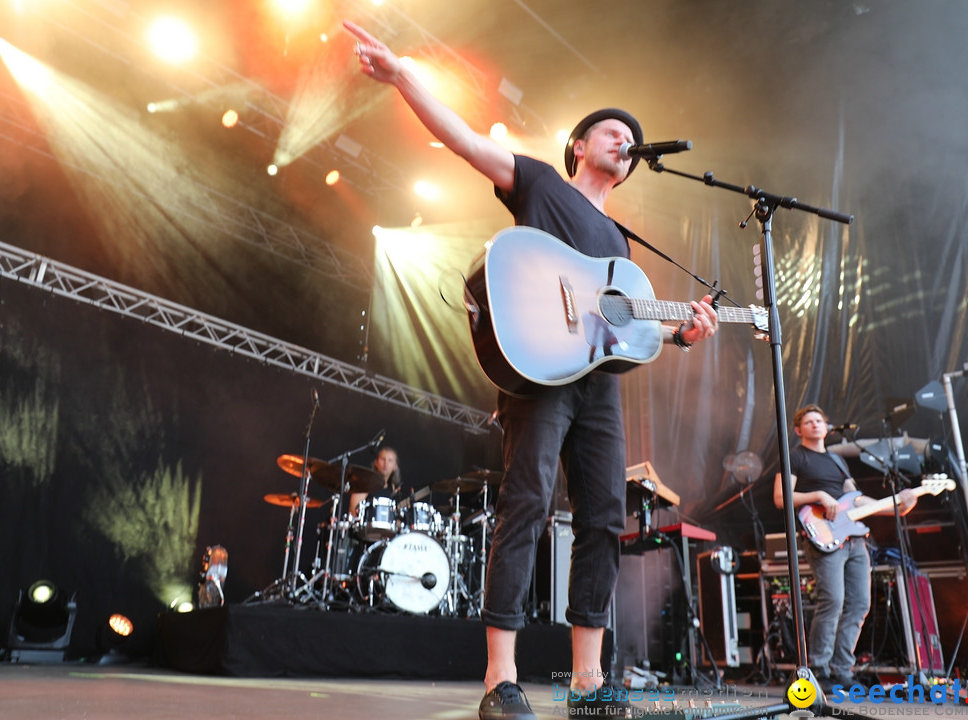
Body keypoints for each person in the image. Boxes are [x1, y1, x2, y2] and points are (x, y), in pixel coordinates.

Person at [345, 20, 718, 719]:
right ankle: (500, 679)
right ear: (579, 145)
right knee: (528, 504)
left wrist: (685, 334)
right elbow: (463, 139)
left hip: (597, 387)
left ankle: (587, 681)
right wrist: (403, 77)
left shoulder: (619, 243)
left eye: (628, 139)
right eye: (610, 130)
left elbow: (625, 330)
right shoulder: (542, 184)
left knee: (605, 518)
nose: (623, 141)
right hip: (538, 375)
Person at [773, 404, 918, 687]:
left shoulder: (838, 461)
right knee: (833, 602)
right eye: (809, 421)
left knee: (860, 604)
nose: (815, 424)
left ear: (827, 427)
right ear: (798, 430)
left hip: (854, 540)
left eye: (819, 420)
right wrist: (819, 494)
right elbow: (781, 498)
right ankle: (818, 669)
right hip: (824, 538)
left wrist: (897, 506)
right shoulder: (795, 457)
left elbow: (857, 501)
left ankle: (843, 670)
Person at [348, 445, 403, 516]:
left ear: (395, 466)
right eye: (383, 459)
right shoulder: (364, 484)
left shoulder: (394, 489)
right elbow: (353, 513)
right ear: (376, 463)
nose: (385, 464)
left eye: (390, 460)